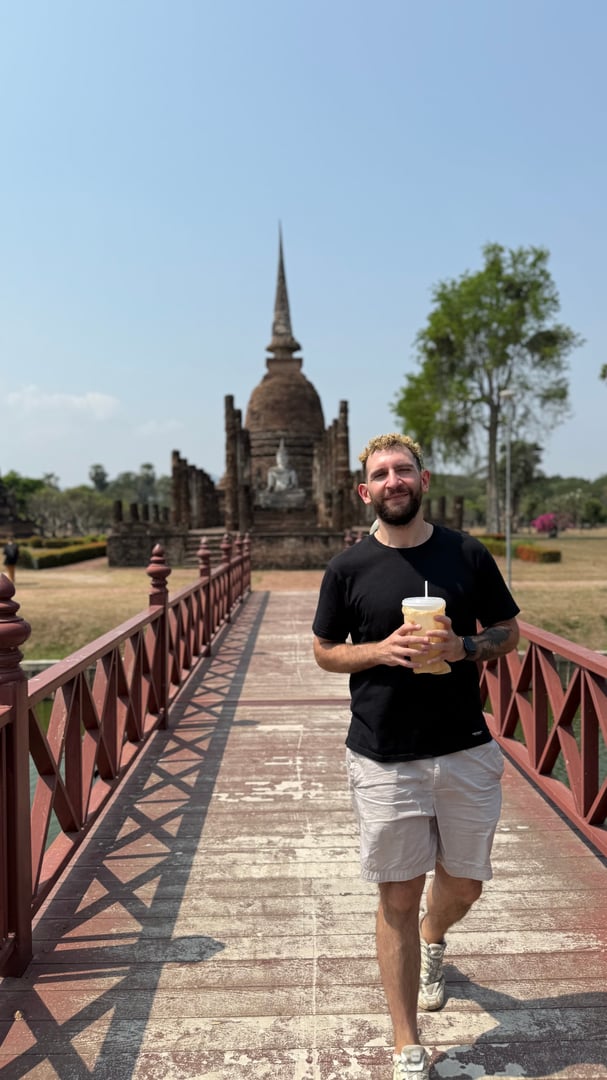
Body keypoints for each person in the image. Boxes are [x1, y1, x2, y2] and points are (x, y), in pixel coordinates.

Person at [312, 434, 520, 1080]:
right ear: (364, 491)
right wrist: (378, 651)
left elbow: (508, 632)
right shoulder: (347, 568)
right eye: (381, 474)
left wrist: (464, 647)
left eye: (403, 470)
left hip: (463, 747)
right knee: (397, 896)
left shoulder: (466, 553)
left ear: (423, 480)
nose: (393, 481)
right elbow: (324, 650)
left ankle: (435, 936)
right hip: (384, 755)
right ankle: (407, 1042)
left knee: (465, 883)